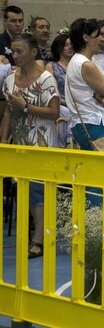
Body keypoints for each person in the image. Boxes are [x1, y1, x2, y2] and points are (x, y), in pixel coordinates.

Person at [1, 33, 60, 259]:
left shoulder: (46, 80)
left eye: (19, 51)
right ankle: (32, 233)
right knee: (23, 190)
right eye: (12, 51)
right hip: (20, 143)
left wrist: (25, 106)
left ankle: (39, 239)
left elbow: (54, 112)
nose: (14, 56)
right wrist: (4, 140)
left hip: (41, 142)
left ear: (33, 52)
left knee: (38, 192)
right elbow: (8, 111)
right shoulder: (9, 80)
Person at [65, 18, 104, 206]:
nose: (101, 39)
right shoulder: (86, 64)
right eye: (96, 35)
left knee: (94, 177)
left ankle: (95, 224)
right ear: (85, 37)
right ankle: (100, 225)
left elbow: (95, 93)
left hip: (86, 124)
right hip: (94, 124)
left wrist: (102, 97)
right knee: (101, 179)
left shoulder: (78, 62)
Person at [46, 33, 74, 147]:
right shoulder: (51, 66)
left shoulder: (77, 65)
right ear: (59, 47)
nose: (70, 47)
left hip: (77, 103)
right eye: (66, 45)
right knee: (64, 111)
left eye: (71, 44)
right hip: (59, 103)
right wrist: (65, 102)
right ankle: (65, 144)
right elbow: (49, 92)